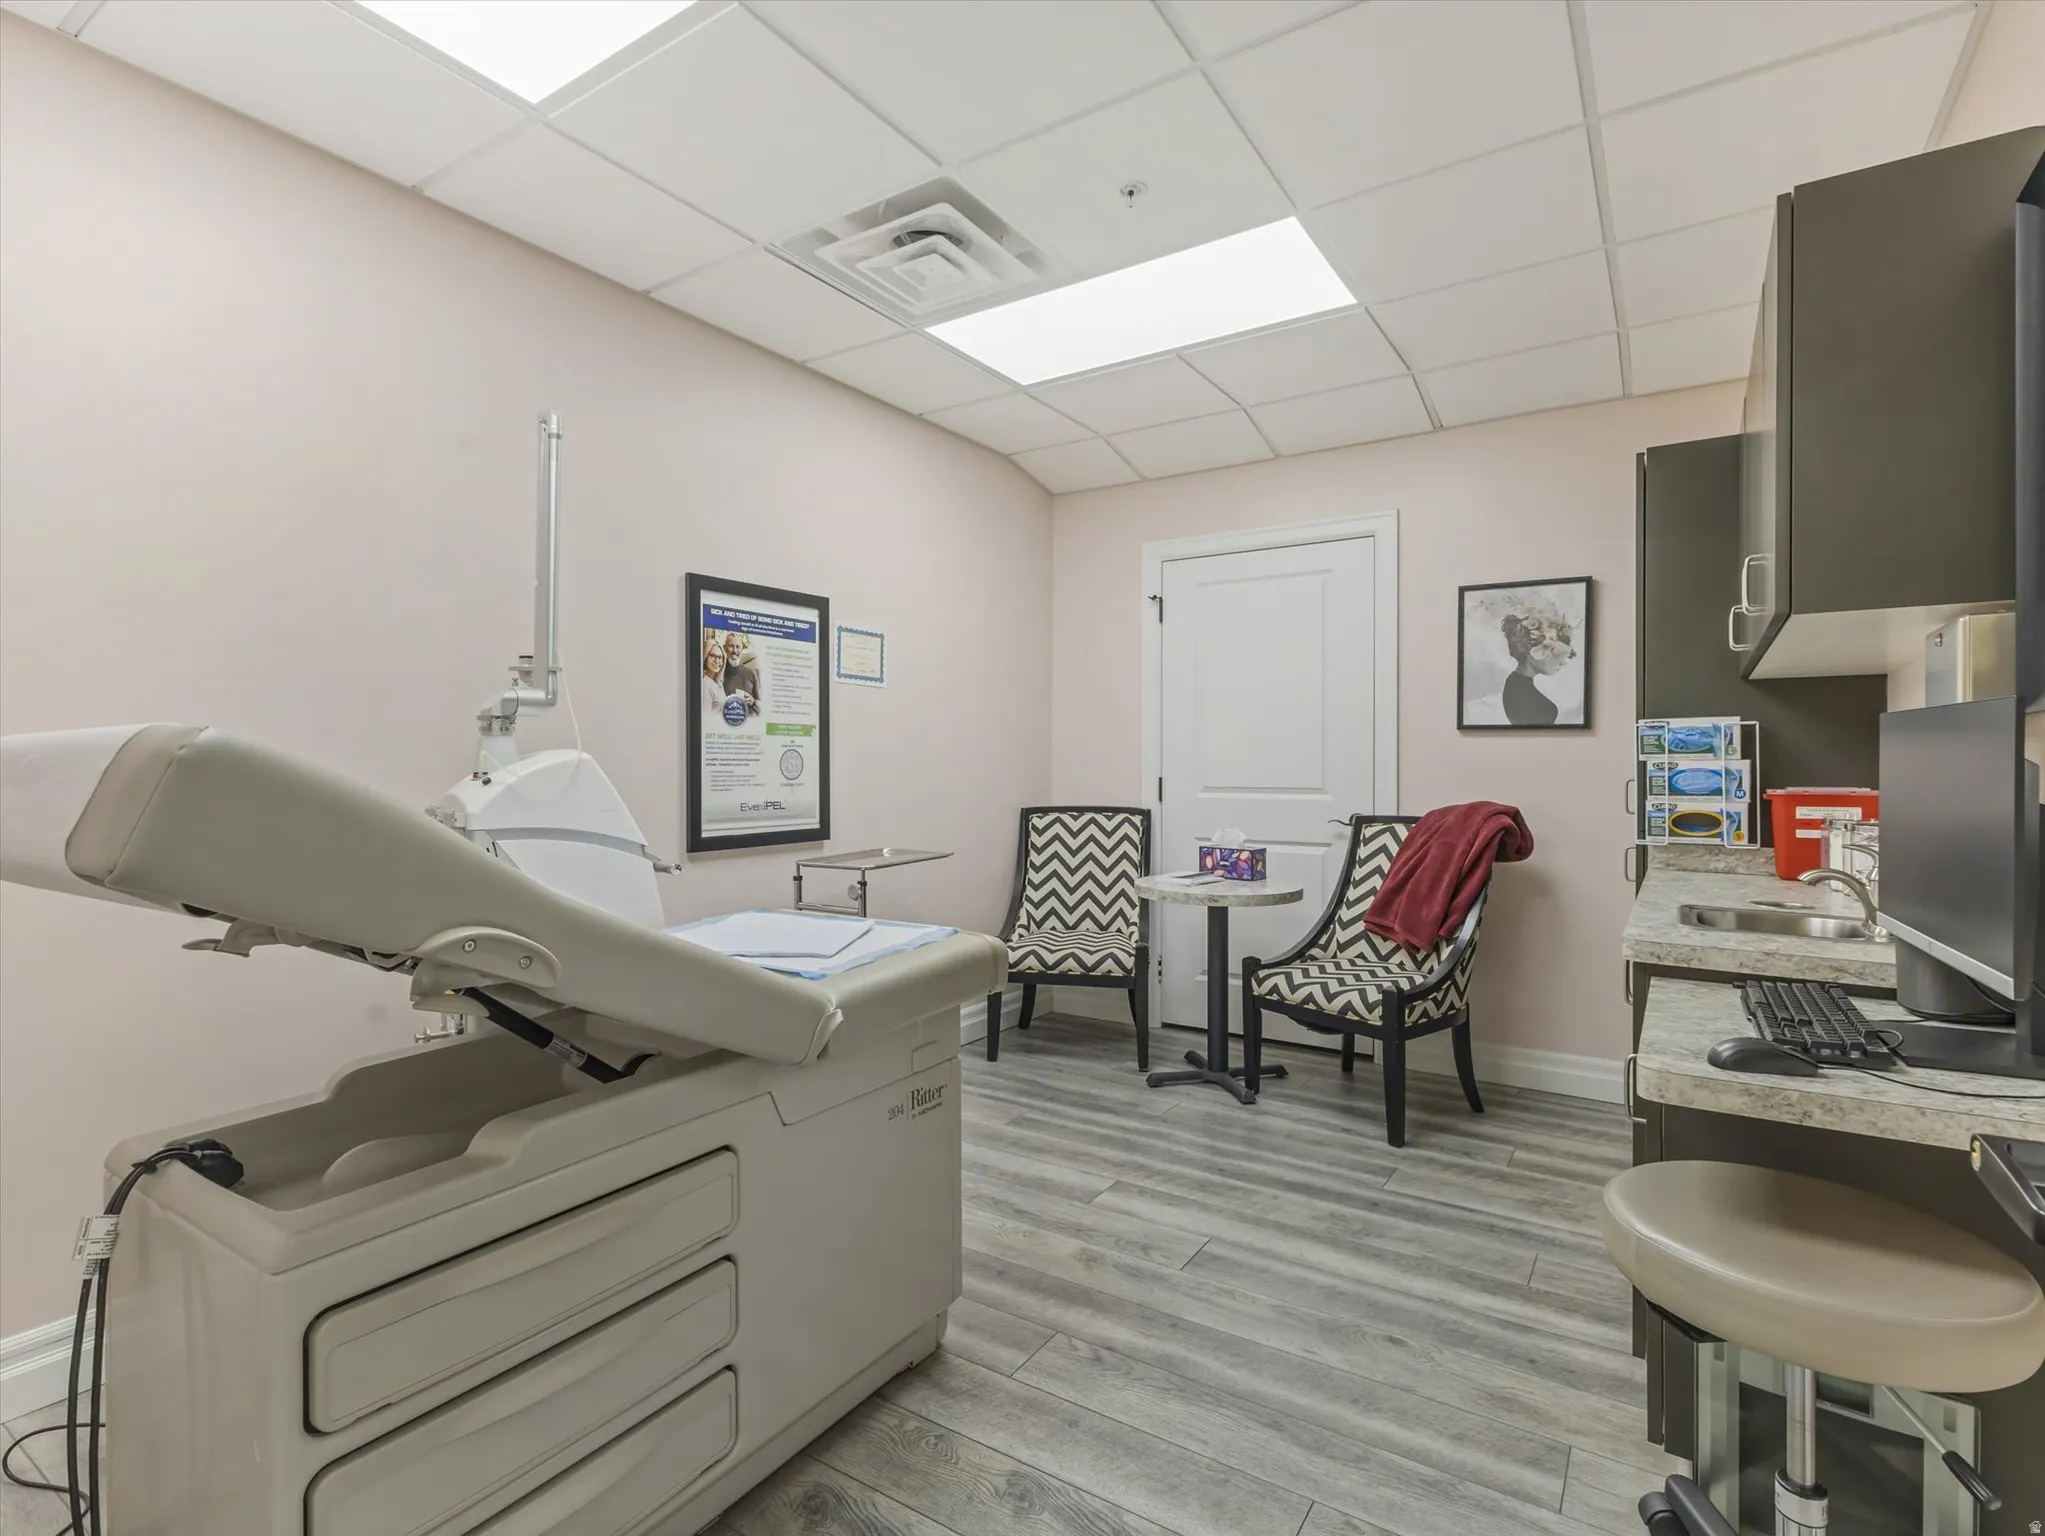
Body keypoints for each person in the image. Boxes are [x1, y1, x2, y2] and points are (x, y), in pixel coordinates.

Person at [722, 632, 761, 713]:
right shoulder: (718, 673)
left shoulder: (751, 674)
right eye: (731, 646)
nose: (735, 650)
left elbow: (761, 707)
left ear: (742, 649)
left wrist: (753, 702)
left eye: (737, 647)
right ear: (724, 648)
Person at [701, 632, 728, 715]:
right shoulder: (705, 683)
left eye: (720, 657)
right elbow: (706, 716)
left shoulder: (719, 682)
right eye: (713, 656)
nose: (717, 661)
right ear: (706, 656)